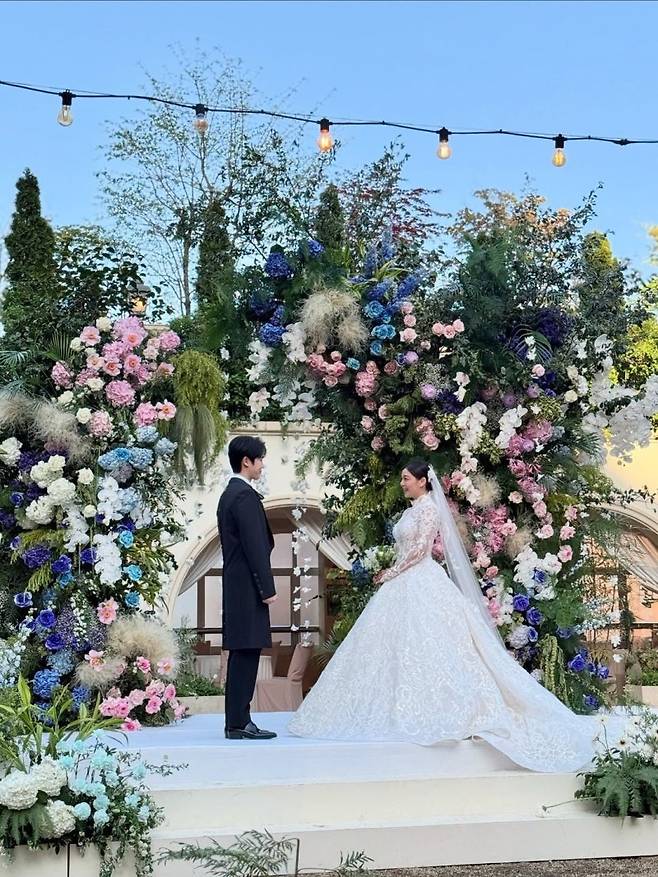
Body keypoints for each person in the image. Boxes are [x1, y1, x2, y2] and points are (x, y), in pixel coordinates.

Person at [288, 457, 599, 772]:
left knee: (431, 643)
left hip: (420, 579)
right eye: (402, 478)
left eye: (406, 478)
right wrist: (390, 568)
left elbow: (420, 549)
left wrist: (391, 571)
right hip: (403, 582)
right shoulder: (410, 511)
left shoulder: (429, 509)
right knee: (393, 646)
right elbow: (405, 548)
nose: (402, 483)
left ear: (423, 481)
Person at [217, 436, 278, 740]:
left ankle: (237, 721)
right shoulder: (244, 496)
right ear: (246, 461)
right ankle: (239, 722)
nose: (262, 465)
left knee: (243, 651)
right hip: (247, 586)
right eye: (260, 459)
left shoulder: (230, 494)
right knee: (247, 651)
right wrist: (267, 588)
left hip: (237, 584)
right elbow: (256, 547)